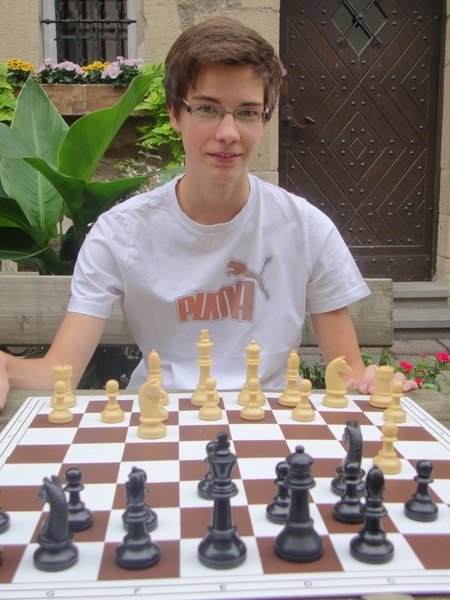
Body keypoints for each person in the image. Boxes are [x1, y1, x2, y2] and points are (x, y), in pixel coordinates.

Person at [0, 17, 417, 408]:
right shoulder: (119, 233)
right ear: (174, 113)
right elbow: (58, 374)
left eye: (247, 112)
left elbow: (347, 373)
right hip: (159, 423)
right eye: (207, 109)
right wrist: (6, 367)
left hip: (265, 423)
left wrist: (370, 381)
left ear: (265, 118)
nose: (228, 133)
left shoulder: (306, 229)